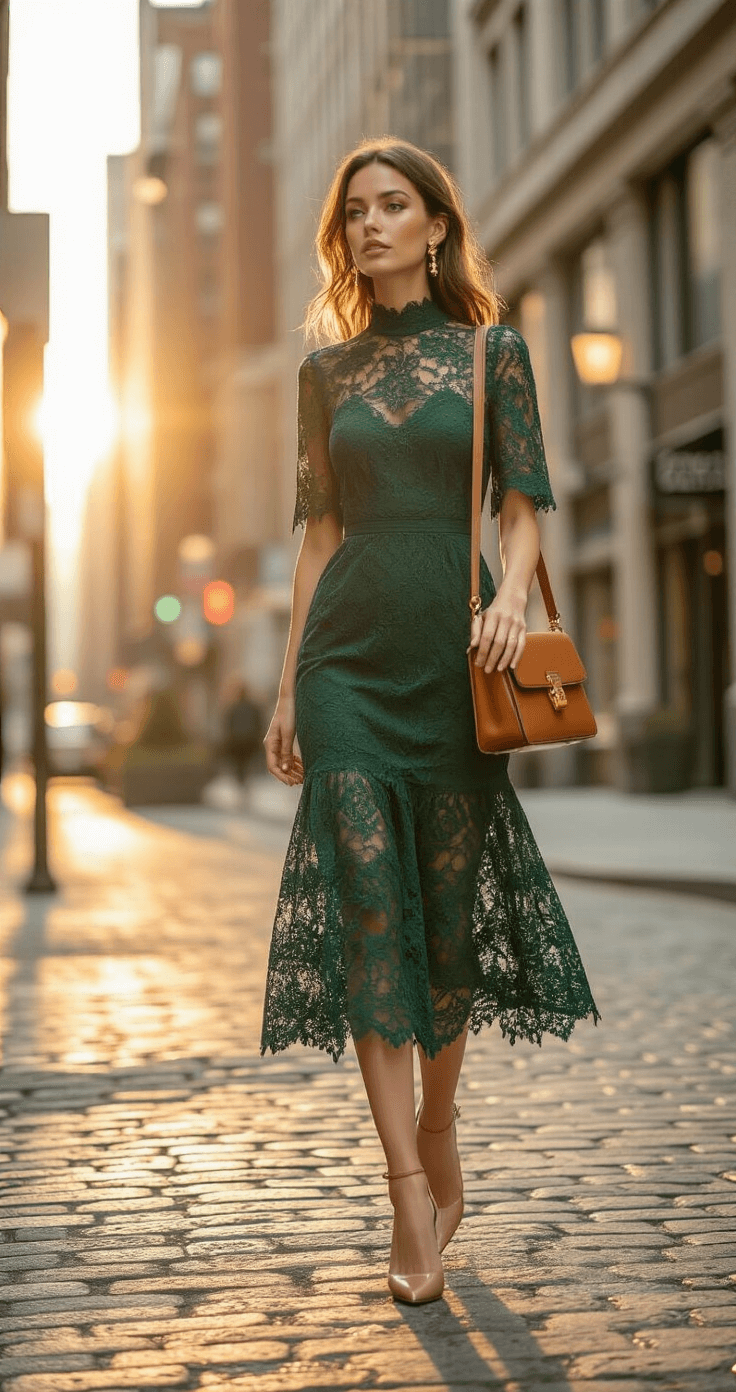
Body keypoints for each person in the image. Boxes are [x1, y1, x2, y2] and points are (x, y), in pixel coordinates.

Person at [261, 138, 599, 1306]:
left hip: (454, 673)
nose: (368, 225)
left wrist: (509, 594)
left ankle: (440, 1128)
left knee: (444, 941)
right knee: (369, 919)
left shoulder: (490, 354)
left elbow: (524, 511)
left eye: (392, 206)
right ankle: (407, 1188)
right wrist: (284, 680)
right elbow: (315, 539)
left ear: (436, 227)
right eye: (353, 210)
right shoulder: (326, 376)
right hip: (347, 668)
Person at [222, 681, 261, 785]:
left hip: (237, 740)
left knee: (240, 763)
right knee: (247, 762)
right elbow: (259, 723)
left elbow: (227, 724)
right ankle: (244, 780)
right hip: (249, 740)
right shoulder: (253, 707)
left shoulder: (233, 708)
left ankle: (241, 780)